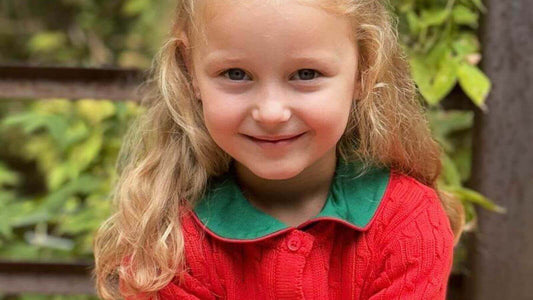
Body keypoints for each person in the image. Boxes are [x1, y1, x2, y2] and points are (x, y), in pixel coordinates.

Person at [93, 0, 465, 299]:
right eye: (236, 74)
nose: (271, 112)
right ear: (191, 74)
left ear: (363, 71)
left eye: (306, 74)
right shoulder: (168, 239)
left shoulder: (407, 222)